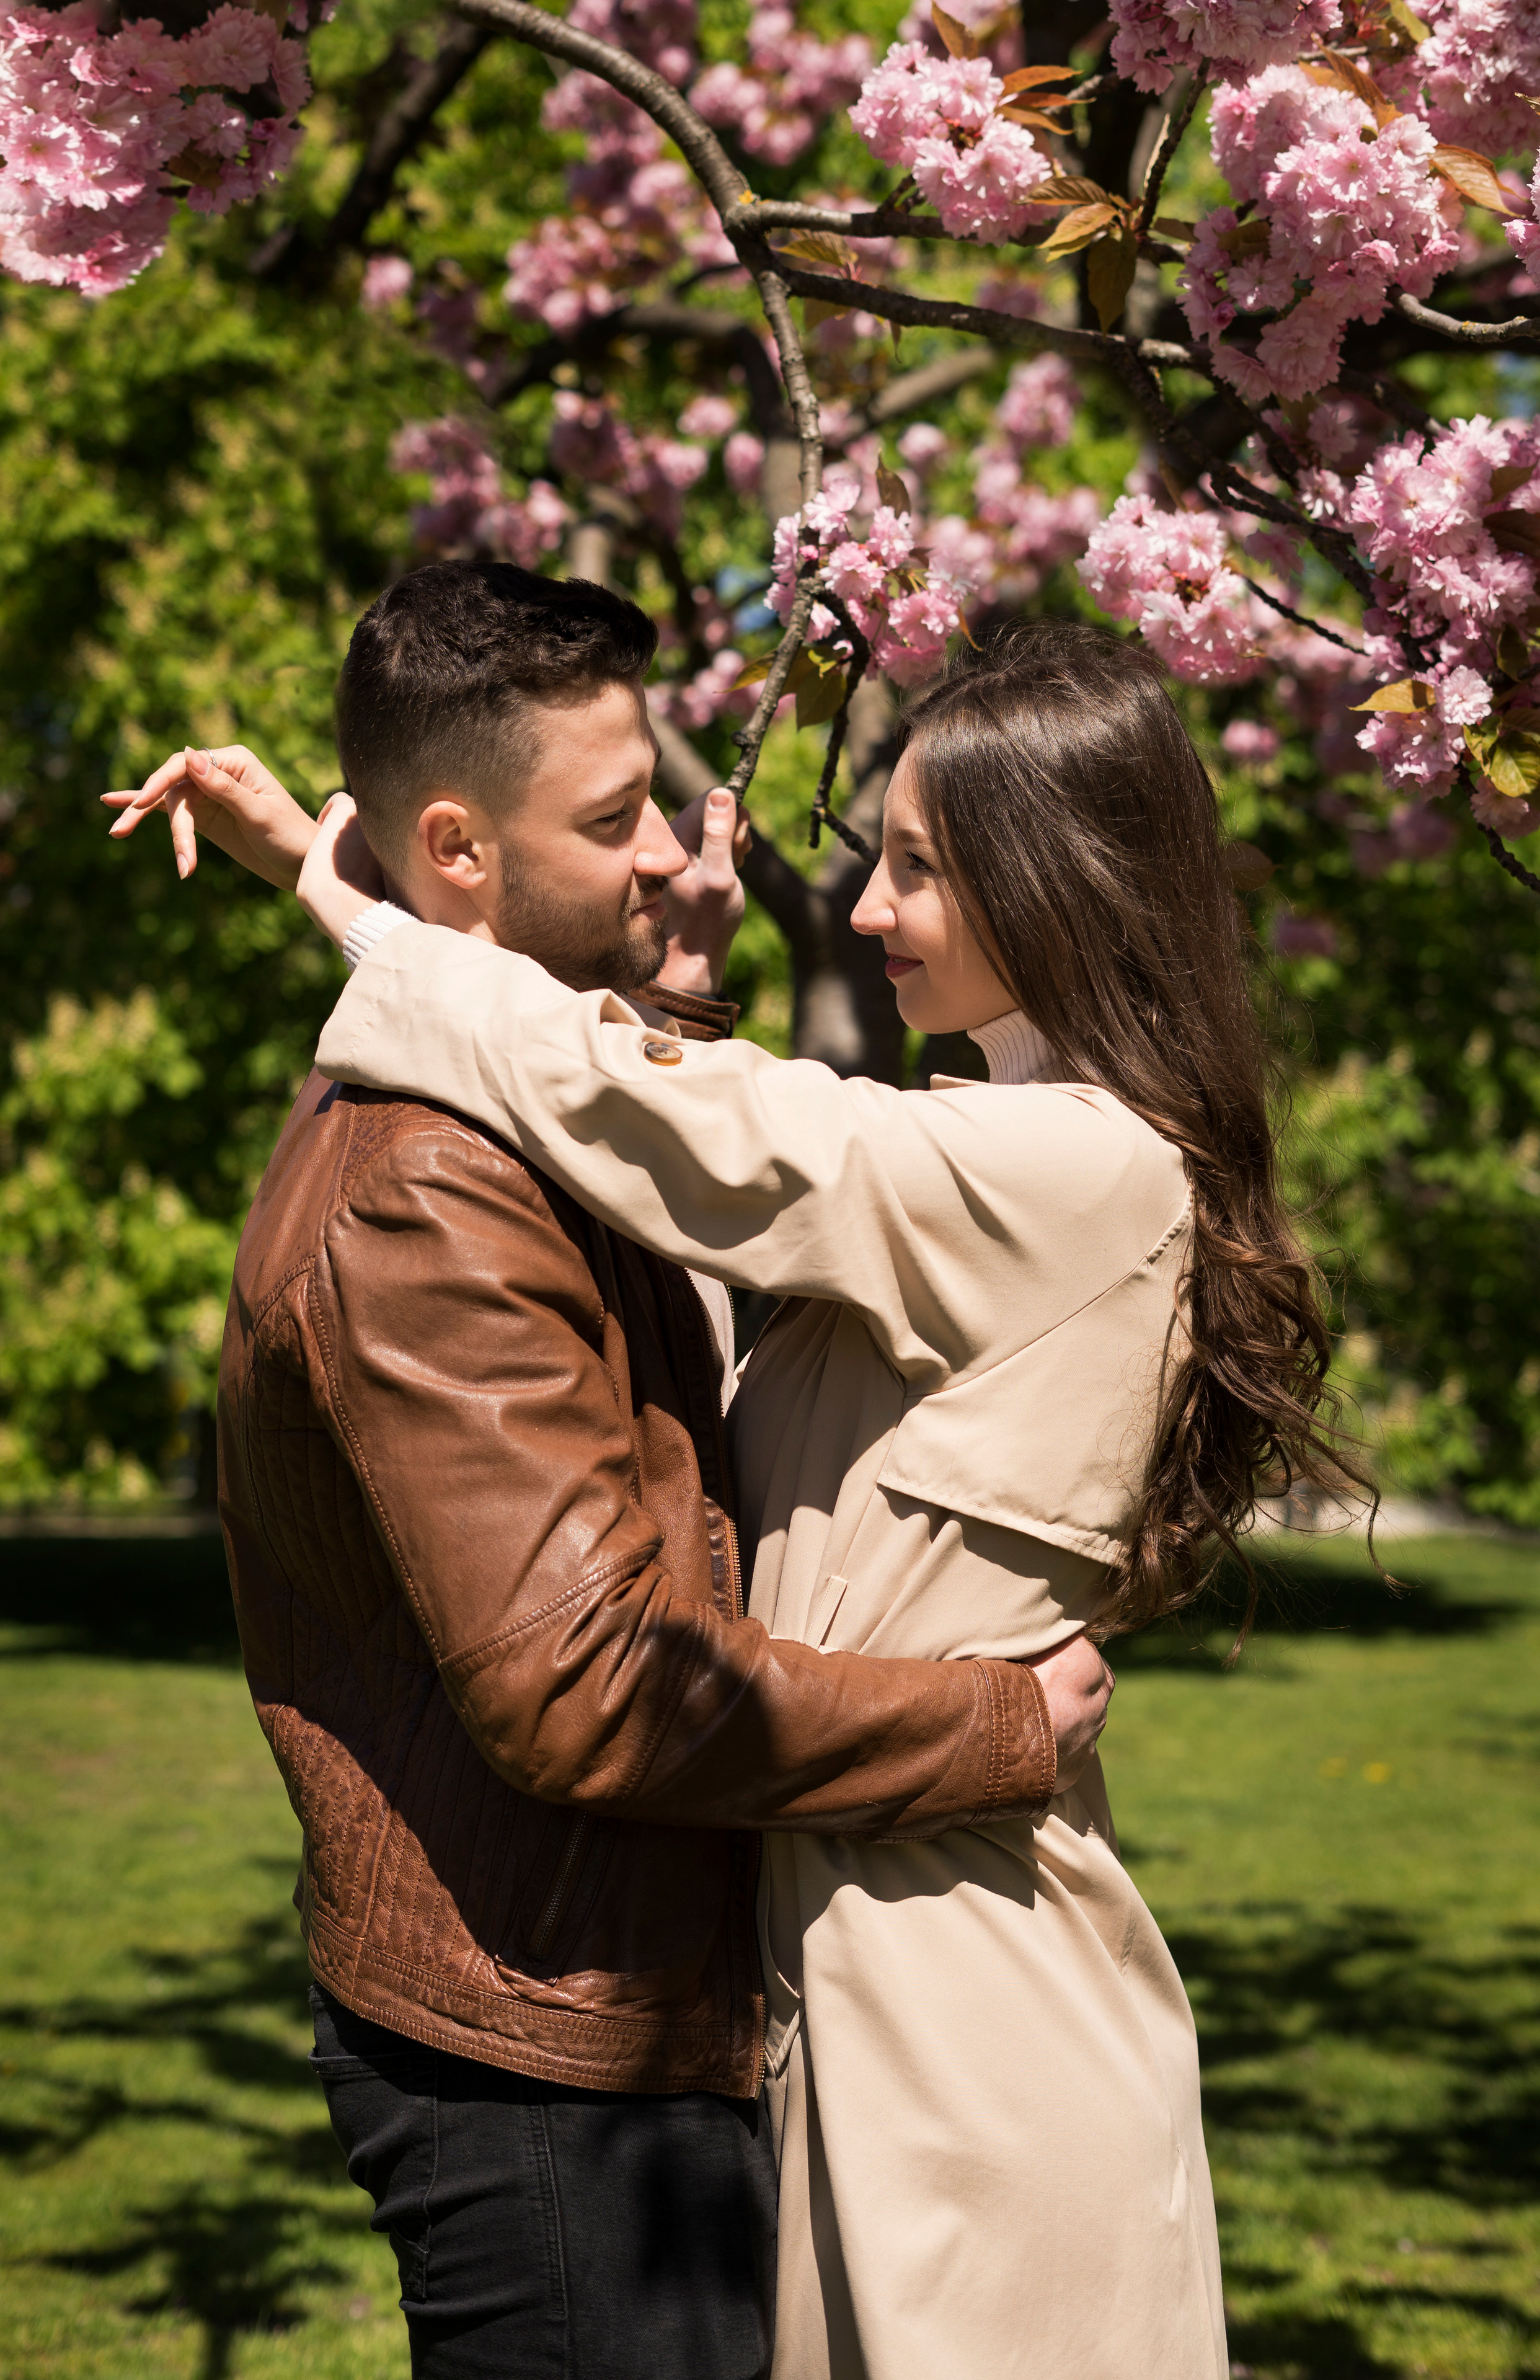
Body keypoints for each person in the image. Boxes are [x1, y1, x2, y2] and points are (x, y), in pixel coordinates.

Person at [283, 619, 1371, 2380]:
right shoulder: (1000, 1153)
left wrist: (377, 932)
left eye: (918, 868)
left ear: (1054, 883)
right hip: (863, 1953)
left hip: (969, 2011)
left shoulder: (1076, 1167)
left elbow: (736, 1141)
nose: (866, 908)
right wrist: (660, 1005)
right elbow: (700, 1263)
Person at [104, 565, 1107, 2380]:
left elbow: (652, 1290)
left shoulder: (520, 1125)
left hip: (603, 1994)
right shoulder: (434, 1189)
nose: (669, 852)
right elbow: (592, 1683)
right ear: (456, 853)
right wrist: (995, 1726)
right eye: (613, 817)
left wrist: (679, 1017)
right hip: (547, 2062)